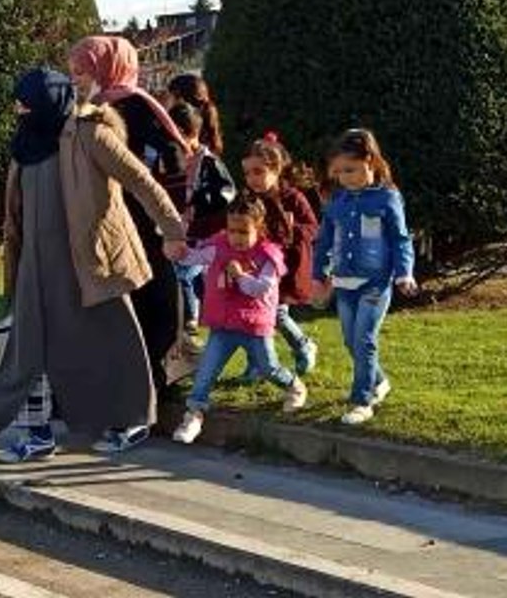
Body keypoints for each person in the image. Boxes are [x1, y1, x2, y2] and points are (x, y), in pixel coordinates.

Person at [0, 68, 186, 457]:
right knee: (28, 347)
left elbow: (141, 181)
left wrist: (173, 231)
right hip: (35, 264)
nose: (19, 108)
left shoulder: (90, 134)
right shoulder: (26, 141)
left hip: (90, 261)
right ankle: (38, 434)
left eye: (26, 101)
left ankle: (134, 418)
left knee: (115, 340)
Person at [68, 36, 190, 401]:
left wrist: (170, 224)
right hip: (110, 221)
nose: (76, 79)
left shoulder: (136, 106)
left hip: (145, 221)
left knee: (153, 300)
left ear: (107, 68)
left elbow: (167, 165)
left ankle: (158, 379)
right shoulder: (88, 110)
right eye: (72, 72)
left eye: (83, 71)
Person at [172, 196, 309, 444]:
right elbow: (195, 257)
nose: (236, 237)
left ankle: (294, 385)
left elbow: (261, 289)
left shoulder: (268, 256)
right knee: (206, 371)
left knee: (269, 368)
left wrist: (241, 276)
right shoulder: (219, 246)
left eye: (244, 231)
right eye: (232, 230)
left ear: (259, 227)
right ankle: (194, 413)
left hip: (254, 326)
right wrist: (179, 253)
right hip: (223, 325)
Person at [312, 128, 418, 426]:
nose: (345, 177)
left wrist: (403, 274)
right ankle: (379, 381)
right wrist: (318, 274)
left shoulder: (387, 198)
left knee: (365, 339)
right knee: (350, 341)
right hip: (345, 283)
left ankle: (362, 400)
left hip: (375, 283)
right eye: (340, 171)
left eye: (351, 169)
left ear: (369, 161)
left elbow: (400, 239)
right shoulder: (337, 201)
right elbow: (324, 241)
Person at [239, 133, 320, 375]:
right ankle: (257, 363)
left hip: (285, 268)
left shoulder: (292, 198)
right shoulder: (248, 198)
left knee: (277, 313)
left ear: (276, 169)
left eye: (258, 171)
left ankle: (303, 345)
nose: (252, 179)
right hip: (255, 266)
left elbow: (312, 227)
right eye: (247, 173)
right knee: (253, 315)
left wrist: (291, 227)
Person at [168, 102, 236, 335]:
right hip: (183, 231)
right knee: (196, 281)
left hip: (205, 233)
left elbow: (227, 193)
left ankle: (190, 319)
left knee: (183, 273)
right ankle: (213, 316)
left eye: (178, 136)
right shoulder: (174, 160)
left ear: (192, 133)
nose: (174, 143)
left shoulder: (209, 162)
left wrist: (199, 202)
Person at [165, 73, 224, 157]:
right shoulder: (206, 151)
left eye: (169, 96)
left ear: (180, 100)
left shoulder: (185, 153)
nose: (166, 101)